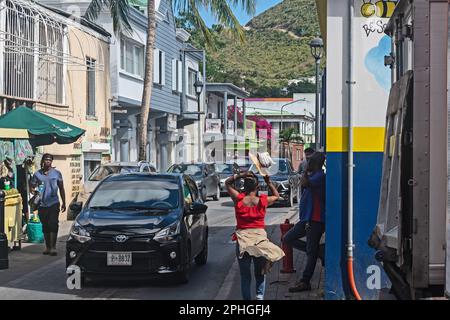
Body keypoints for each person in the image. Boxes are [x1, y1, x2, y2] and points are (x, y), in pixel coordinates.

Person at [225, 171, 284, 300]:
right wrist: (268, 182)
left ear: (244, 187)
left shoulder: (239, 199)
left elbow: (227, 183)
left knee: (245, 277)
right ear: (257, 187)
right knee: (260, 273)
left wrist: (240, 175)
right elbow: (277, 195)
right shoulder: (262, 201)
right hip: (259, 241)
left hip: (243, 242)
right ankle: (259, 297)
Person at [283, 152, 326, 292]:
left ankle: (305, 281)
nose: (307, 162)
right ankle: (319, 251)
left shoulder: (319, 176)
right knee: (288, 238)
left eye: (309, 160)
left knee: (310, 252)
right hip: (307, 218)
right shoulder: (314, 175)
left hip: (316, 219)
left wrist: (306, 171)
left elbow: (305, 183)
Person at [30, 154, 66, 256]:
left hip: (54, 202)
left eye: (50, 160)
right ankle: (48, 247)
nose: (48, 161)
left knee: (53, 223)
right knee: (45, 225)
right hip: (42, 204)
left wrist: (64, 202)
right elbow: (32, 186)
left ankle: (53, 248)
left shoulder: (57, 173)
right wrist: (34, 192)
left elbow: (61, 188)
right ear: (42, 161)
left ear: (52, 162)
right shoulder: (37, 174)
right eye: (46, 160)